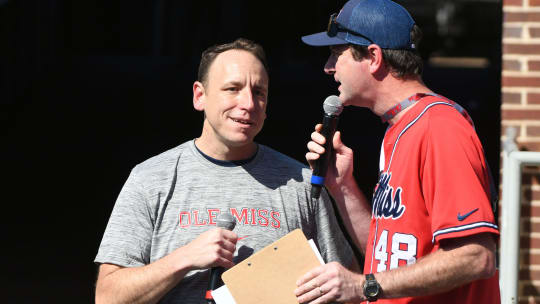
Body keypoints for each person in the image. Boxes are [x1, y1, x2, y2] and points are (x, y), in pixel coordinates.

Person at [94, 38, 356, 304]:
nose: (248, 104)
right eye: (232, 89)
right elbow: (108, 297)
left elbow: (349, 288)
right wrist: (184, 258)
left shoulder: (302, 183)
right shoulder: (150, 178)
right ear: (200, 96)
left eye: (259, 92)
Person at [293, 0, 500, 303]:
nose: (328, 67)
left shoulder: (439, 126)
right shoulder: (399, 128)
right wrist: (344, 187)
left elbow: (476, 256)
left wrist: (362, 286)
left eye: (337, 53)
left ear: (374, 57)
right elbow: (388, 260)